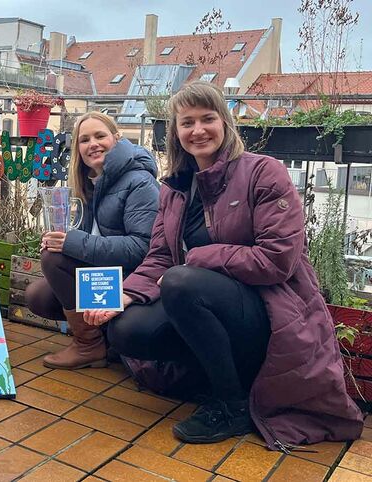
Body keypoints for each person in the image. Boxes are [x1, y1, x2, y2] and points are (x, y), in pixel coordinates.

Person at [84, 81, 363, 449]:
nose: (198, 130)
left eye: (207, 119)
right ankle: (211, 376)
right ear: (176, 132)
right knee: (127, 330)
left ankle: (232, 405)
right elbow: (161, 256)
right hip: (203, 301)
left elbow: (276, 259)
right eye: (187, 122)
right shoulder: (176, 187)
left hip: (271, 309)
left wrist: (198, 258)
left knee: (182, 282)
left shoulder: (264, 172)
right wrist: (126, 293)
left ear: (225, 123)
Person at [25, 111, 160, 370]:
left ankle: (89, 346)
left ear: (117, 139)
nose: (93, 144)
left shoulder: (140, 182)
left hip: (131, 281)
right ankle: (103, 338)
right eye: (84, 140)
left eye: (100, 136)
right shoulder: (91, 183)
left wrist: (71, 244)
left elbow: (143, 248)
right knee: (38, 296)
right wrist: (58, 240)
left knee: (54, 260)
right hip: (105, 274)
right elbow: (88, 241)